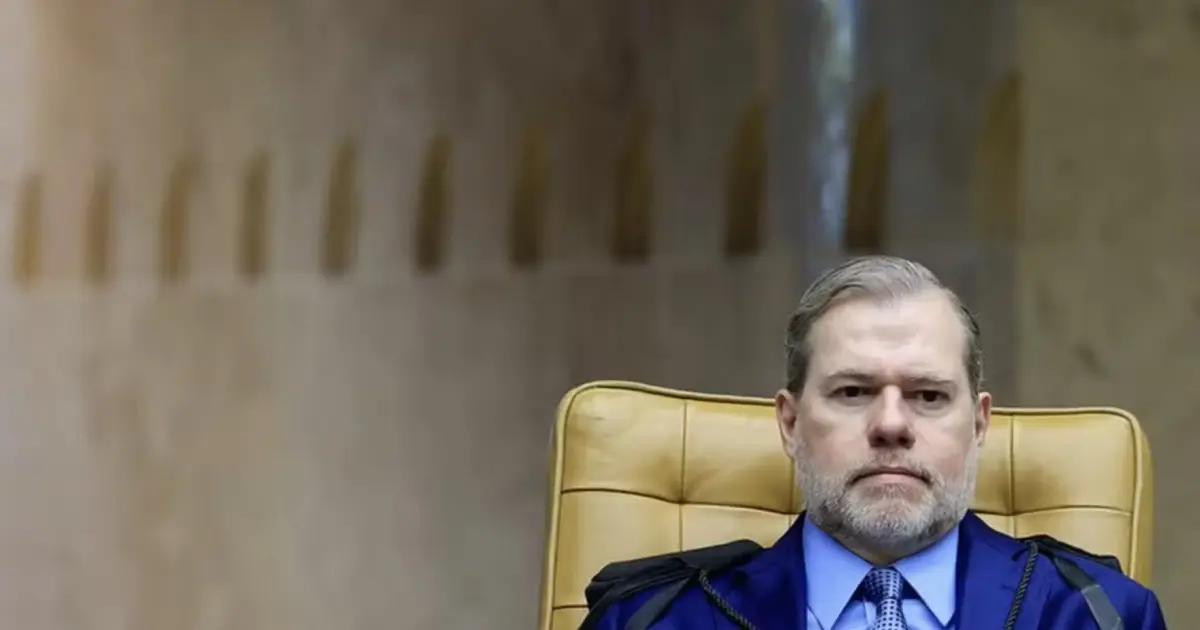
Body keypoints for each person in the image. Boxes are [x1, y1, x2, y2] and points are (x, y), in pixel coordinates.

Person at [587, 256, 1167, 629]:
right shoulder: (651, 621)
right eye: (853, 392)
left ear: (978, 425)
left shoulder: (1100, 616)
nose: (891, 424)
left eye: (929, 395)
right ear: (790, 424)